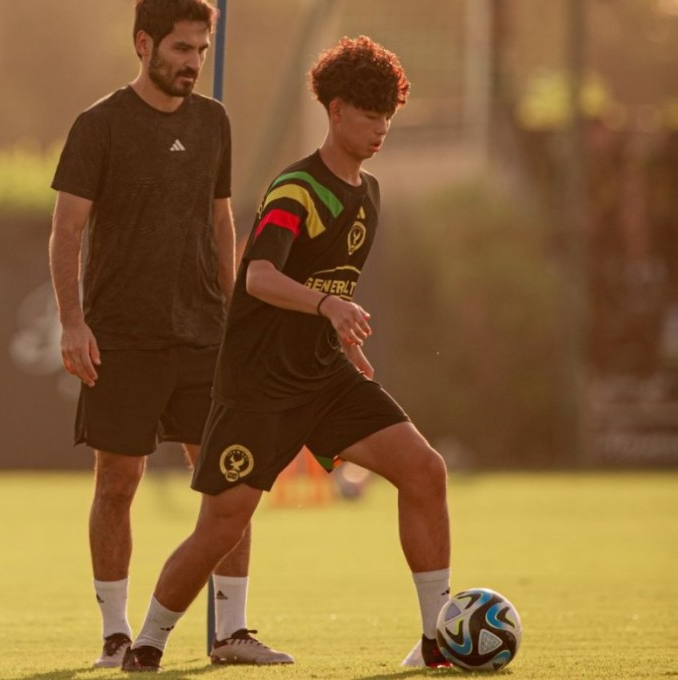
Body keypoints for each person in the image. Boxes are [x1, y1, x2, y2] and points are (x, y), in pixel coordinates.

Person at [121, 35, 454, 672]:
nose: (381, 128)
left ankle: (438, 639)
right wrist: (329, 308)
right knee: (221, 527)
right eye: (368, 114)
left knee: (425, 471)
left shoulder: (369, 192)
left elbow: (328, 283)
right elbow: (259, 278)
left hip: (325, 378)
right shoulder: (298, 188)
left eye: (389, 116)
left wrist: (337, 335)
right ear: (334, 111)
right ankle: (148, 643)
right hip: (258, 386)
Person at [48, 0, 293, 669]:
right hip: (121, 338)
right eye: (182, 50)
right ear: (143, 43)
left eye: (201, 52)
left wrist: (238, 317)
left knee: (230, 481)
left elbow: (222, 222)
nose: (192, 64)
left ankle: (231, 632)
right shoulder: (97, 126)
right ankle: (115, 635)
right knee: (117, 484)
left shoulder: (214, 123)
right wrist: (73, 322)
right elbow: (67, 230)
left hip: (204, 337)